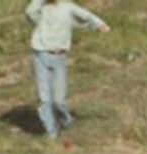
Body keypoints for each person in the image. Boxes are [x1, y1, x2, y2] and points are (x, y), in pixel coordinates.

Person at [23, 0, 111, 141]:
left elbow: (86, 15)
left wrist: (100, 24)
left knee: (59, 100)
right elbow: (29, 12)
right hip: (40, 55)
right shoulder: (40, 10)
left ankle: (66, 122)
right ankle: (52, 135)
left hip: (59, 57)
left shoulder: (68, 7)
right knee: (44, 99)